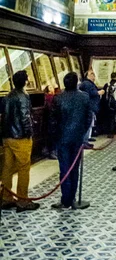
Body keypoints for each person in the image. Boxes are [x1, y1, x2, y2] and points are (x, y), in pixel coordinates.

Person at [50, 72, 92, 210]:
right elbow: (88, 118)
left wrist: (55, 136)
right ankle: (72, 198)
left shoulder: (58, 98)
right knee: (74, 169)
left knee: (64, 169)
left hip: (62, 139)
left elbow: (53, 121)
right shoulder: (84, 97)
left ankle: (65, 199)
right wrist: (81, 133)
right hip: (77, 139)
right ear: (77, 82)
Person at [0, 70, 40, 211]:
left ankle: (6, 198)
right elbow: (25, 117)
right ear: (24, 81)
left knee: (7, 168)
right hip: (20, 137)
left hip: (7, 137)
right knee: (24, 168)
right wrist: (29, 133)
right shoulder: (23, 96)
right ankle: (23, 200)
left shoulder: (7, 96)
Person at [79, 69, 104, 147]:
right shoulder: (87, 84)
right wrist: (98, 92)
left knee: (90, 123)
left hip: (91, 106)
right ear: (87, 76)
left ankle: (87, 139)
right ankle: (84, 141)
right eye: (91, 74)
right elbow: (89, 93)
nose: (94, 76)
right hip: (89, 106)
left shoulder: (90, 84)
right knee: (87, 124)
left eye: (94, 74)